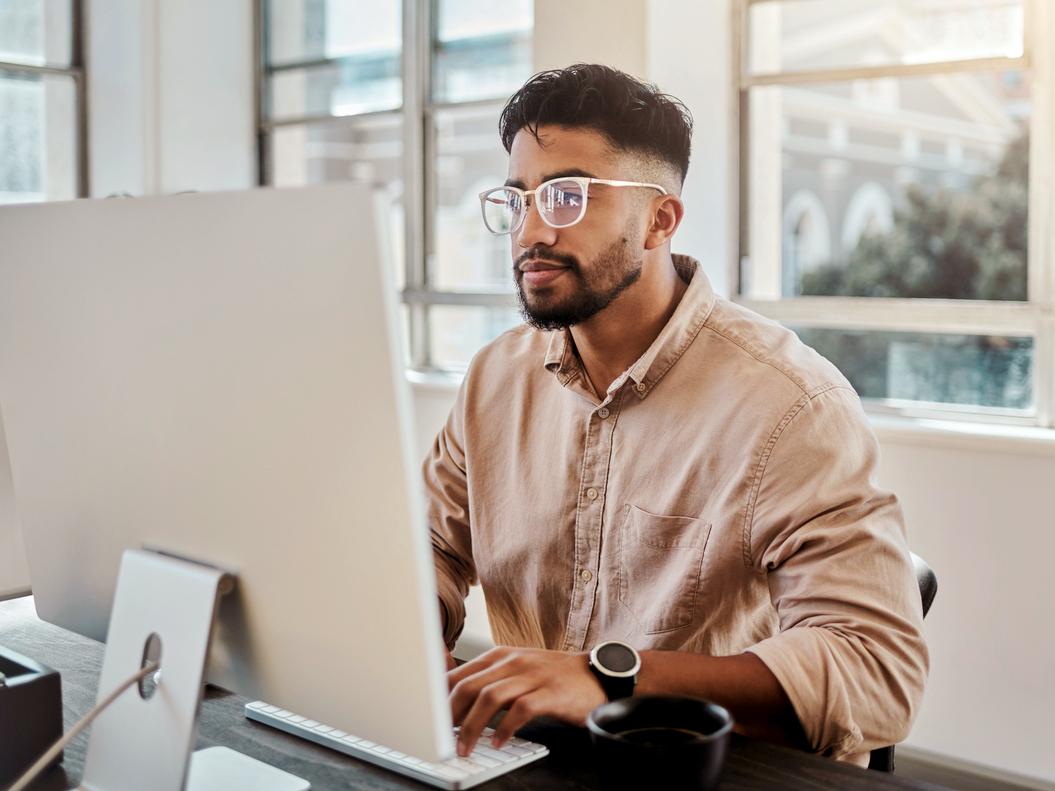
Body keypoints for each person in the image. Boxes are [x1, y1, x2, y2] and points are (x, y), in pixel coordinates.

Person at [426, 63, 928, 768]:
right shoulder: (492, 379)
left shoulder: (792, 405)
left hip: (708, 770)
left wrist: (606, 678)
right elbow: (430, 547)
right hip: (523, 760)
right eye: (519, 199)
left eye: (567, 196)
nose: (530, 231)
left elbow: (876, 670)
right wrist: (407, 641)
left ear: (659, 218)